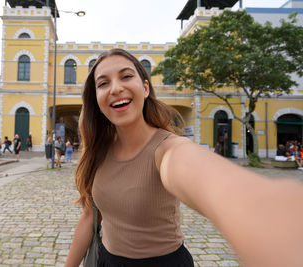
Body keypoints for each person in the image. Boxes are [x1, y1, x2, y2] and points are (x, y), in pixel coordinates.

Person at [65, 49, 303, 267]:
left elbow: (203, 175)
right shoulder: (98, 149)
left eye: (126, 76)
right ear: (96, 98)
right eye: (103, 83)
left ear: (146, 88)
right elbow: (90, 215)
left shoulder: (168, 149)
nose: (115, 88)